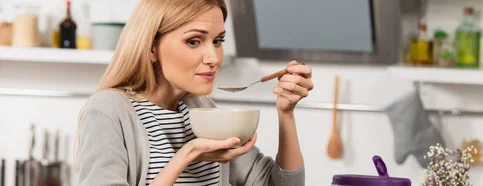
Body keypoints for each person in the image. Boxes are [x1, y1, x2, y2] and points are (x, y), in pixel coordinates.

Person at [72, 0, 313, 185]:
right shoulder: (109, 111)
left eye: (217, 41)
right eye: (194, 41)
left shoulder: (202, 110)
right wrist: (186, 156)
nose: (213, 58)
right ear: (151, 47)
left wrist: (286, 112)